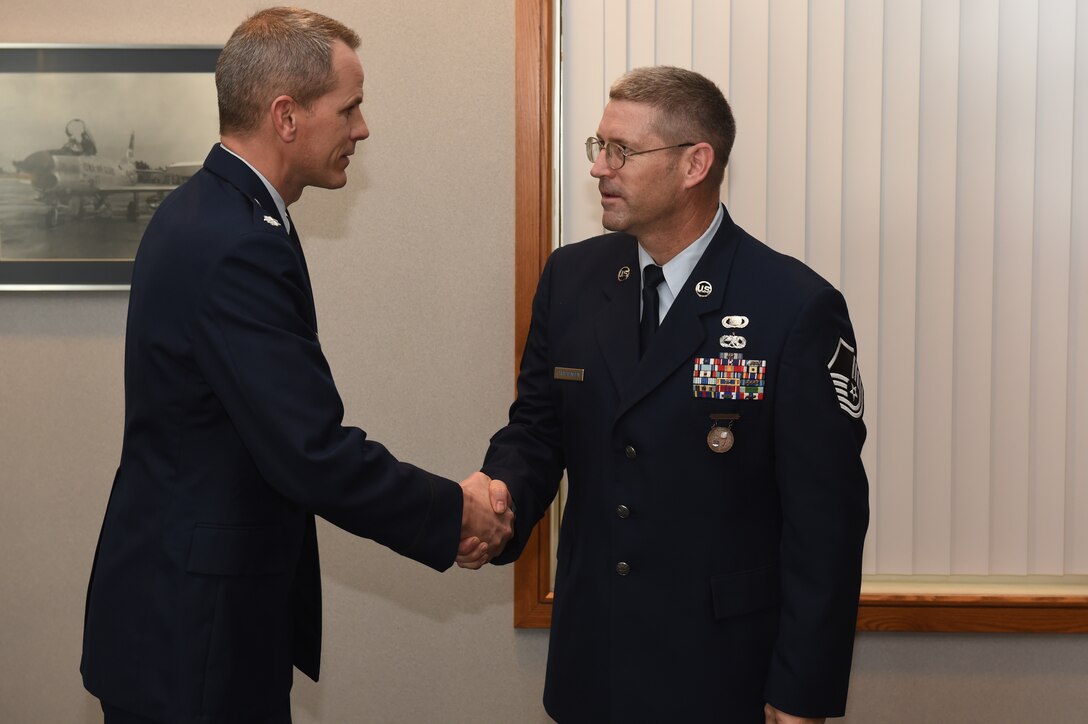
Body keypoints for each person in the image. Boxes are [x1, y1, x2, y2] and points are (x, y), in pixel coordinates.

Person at [80, 8, 511, 723]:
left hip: (182, 613)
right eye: (351, 108)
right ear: (287, 115)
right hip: (196, 637)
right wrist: (454, 511)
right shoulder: (237, 240)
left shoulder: (211, 210)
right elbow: (310, 452)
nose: (362, 129)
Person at [480, 66, 869, 723]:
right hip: (593, 663)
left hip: (721, 671)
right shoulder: (572, 279)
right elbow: (538, 433)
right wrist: (497, 500)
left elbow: (826, 523)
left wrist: (801, 691)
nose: (601, 168)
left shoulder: (794, 307)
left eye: (622, 151)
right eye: (598, 147)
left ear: (695, 163)